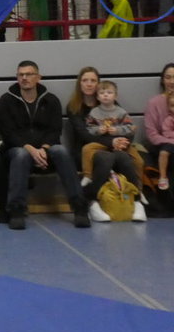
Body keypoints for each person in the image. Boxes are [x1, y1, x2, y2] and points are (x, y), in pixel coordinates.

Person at [0, 60, 90, 230]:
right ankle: (17, 210)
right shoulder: (6, 100)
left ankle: (80, 208)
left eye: (29, 74)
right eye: (21, 75)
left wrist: (44, 149)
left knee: (61, 151)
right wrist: (31, 149)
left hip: (46, 150)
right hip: (17, 151)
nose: (24, 78)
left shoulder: (51, 100)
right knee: (21, 154)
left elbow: (55, 130)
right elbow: (8, 133)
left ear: (38, 77)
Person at [66, 68, 144, 219]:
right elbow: (85, 135)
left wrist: (122, 142)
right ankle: (92, 201)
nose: (89, 84)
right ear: (79, 84)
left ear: (98, 84)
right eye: (85, 80)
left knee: (126, 158)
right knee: (105, 158)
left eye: (93, 81)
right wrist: (112, 141)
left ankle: (137, 201)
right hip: (86, 150)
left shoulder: (110, 102)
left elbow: (128, 129)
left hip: (114, 147)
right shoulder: (74, 107)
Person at [84, 80, 145, 222]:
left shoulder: (121, 112)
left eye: (109, 93)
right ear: (97, 96)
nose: (105, 95)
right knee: (88, 149)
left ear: (115, 96)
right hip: (101, 143)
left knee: (137, 161)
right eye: (102, 93)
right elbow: (89, 129)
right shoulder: (94, 112)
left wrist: (117, 131)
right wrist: (99, 130)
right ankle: (88, 176)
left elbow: (130, 128)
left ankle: (139, 192)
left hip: (121, 144)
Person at [144, 63, 174, 192]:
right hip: (162, 147)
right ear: (162, 80)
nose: (172, 81)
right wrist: (171, 142)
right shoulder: (154, 103)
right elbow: (152, 134)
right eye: (168, 77)